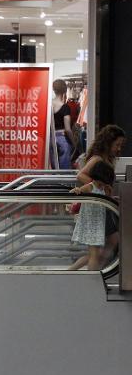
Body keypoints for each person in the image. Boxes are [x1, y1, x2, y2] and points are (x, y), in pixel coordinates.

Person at [70, 124, 126, 269]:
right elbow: (81, 174)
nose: (119, 148)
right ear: (108, 143)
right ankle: (94, 274)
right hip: (97, 208)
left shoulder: (106, 159)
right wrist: (98, 187)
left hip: (102, 207)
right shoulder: (97, 159)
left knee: (107, 244)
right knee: (101, 248)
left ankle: (86, 271)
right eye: (117, 145)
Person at [69, 161, 115, 270]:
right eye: (100, 183)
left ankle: (70, 271)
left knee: (92, 255)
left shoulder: (105, 188)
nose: (102, 185)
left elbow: (108, 201)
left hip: (98, 223)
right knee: (94, 255)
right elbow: (74, 193)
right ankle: (91, 280)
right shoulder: (90, 187)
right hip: (90, 224)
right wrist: (76, 190)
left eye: (104, 183)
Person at [52, 79, 74, 169]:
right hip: (62, 138)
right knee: (64, 170)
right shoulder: (65, 107)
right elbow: (68, 129)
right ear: (65, 90)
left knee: (52, 170)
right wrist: (74, 142)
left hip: (50, 138)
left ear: (53, 90)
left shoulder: (48, 105)